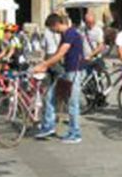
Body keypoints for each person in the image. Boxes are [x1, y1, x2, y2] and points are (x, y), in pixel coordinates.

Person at [33, 14, 85, 144]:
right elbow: (58, 54)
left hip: (74, 72)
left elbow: (61, 52)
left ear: (56, 24)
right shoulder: (64, 35)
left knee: (72, 104)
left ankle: (75, 133)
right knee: (50, 96)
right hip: (66, 71)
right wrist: (46, 64)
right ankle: (49, 126)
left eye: (52, 28)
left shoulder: (71, 33)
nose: (52, 31)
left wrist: (44, 65)